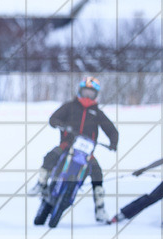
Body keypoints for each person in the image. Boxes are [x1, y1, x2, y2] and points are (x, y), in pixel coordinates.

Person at [29, 76, 118, 223]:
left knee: (97, 172)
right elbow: (53, 119)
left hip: (87, 152)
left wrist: (113, 142)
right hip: (67, 146)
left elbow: (112, 130)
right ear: (80, 91)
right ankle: (41, 184)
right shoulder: (70, 106)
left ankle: (100, 207)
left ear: (96, 95)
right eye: (86, 92)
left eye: (91, 94)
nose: (88, 96)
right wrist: (62, 125)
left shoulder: (97, 113)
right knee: (51, 156)